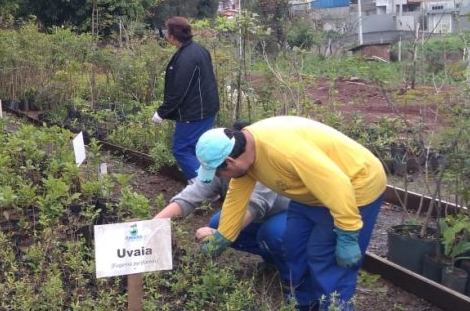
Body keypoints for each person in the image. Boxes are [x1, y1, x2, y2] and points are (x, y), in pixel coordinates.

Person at [194, 116, 387, 311]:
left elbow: (336, 184)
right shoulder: (245, 156)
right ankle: (304, 304)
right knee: (294, 246)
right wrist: (222, 237)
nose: (220, 178)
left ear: (229, 161)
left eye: (219, 173)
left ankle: (335, 307)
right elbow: (236, 199)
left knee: (325, 258)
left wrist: (348, 233)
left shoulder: (283, 152)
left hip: (354, 186)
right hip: (312, 191)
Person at [154, 170, 290, 282]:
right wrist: (154, 225)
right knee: (217, 223)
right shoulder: (218, 169)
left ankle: (294, 281)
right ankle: (273, 260)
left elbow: (255, 205)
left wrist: (220, 235)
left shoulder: (259, 167)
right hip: (256, 215)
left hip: (288, 214)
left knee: (271, 234)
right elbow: (190, 196)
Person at [151, 16, 219, 185]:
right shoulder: (198, 49)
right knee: (199, 150)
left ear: (172, 36)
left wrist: (162, 112)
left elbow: (179, 90)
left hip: (194, 113)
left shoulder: (187, 57)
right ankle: (210, 185)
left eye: (167, 33)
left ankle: (203, 187)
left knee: (181, 150)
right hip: (206, 109)